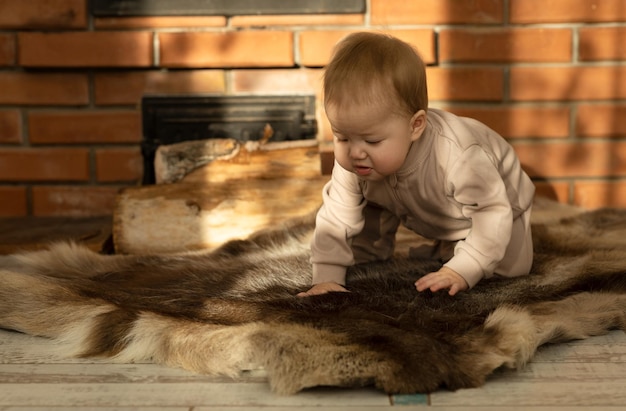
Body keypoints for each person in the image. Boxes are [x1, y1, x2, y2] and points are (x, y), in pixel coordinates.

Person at [298, 32, 535, 297]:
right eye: (341, 136)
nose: (355, 153)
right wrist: (326, 277)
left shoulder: (460, 156)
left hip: (500, 202)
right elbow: (335, 217)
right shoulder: (356, 159)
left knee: (506, 271)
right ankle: (385, 252)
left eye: (372, 140)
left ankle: (459, 247)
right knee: (365, 213)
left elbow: (492, 211)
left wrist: (463, 269)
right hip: (415, 201)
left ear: (415, 126)